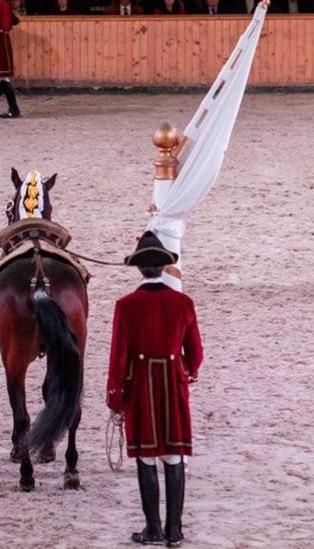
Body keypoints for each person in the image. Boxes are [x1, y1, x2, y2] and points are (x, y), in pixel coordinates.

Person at [106, 230, 202, 547]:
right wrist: (186, 370)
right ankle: (174, 531)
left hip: (141, 386)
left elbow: (118, 357)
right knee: (173, 455)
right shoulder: (183, 302)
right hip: (173, 385)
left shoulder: (126, 305)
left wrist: (115, 399)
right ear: (163, 266)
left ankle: (152, 529)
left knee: (146, 458)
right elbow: (196, 354)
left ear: (138, 268)